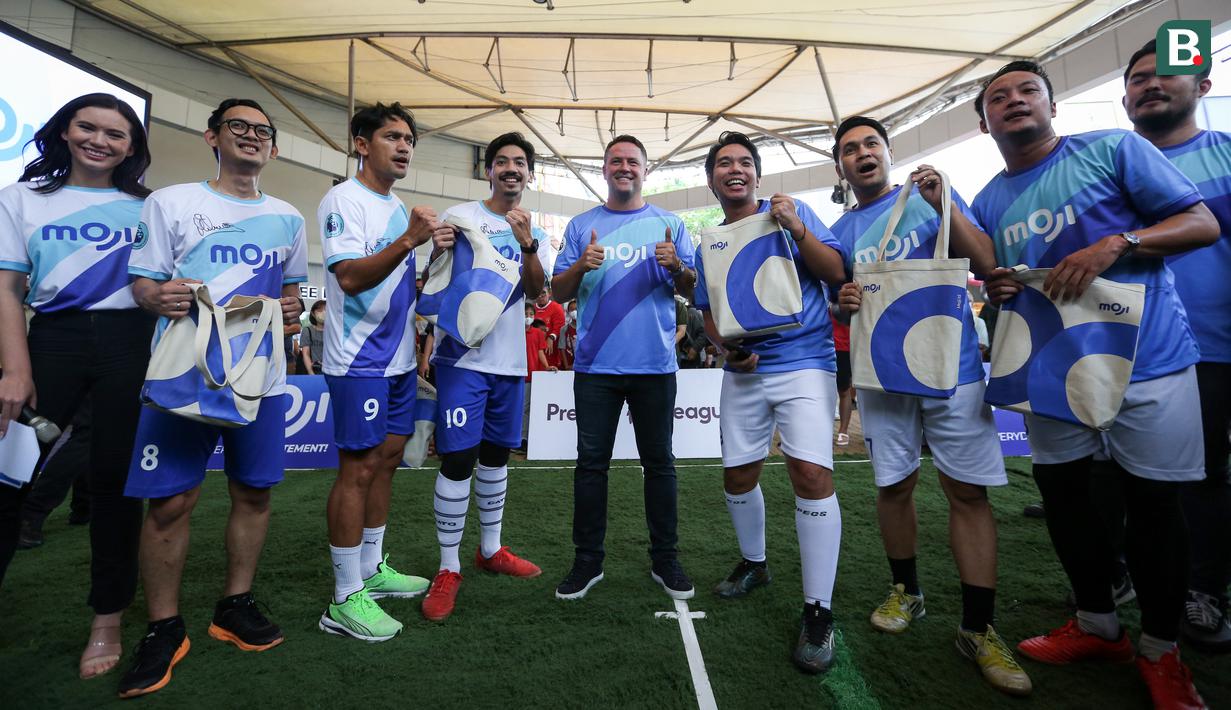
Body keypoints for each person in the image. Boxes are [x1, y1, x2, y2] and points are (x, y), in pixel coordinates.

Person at [972, 60, 1218, 707]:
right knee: (1065, 499)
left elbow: (1201, 224)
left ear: (1053, 106)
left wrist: (1119, 242)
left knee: (1155, 507)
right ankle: (1096, 624)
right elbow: (1009, 286)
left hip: (1149, 361)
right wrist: (1000, 288)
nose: (1014, 101)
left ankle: (1161, 652)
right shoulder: (989, 200)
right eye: (999, 97)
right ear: (983, 121)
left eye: (1028, 91)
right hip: (1053, 373)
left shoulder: (1112, 148)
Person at [831, 116, 1030, 695]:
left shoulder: (930, 195)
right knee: (893, 485)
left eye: (871, 144)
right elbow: (837, 303)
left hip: (955, 369)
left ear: (887, 153)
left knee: (966, 492)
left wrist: (944, 204)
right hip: (882, 374)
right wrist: (843, 301)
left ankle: (978, 627)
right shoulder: (841, 230)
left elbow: (985, 259)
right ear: (840, 166)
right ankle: (907, 591)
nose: (862, 154)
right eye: (849, 149)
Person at [119, 98, 308, 697]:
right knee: (171, 503)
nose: (252, 137)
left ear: (273, 148)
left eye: (263, 131)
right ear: (213, 137)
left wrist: (292, 310)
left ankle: (234, 605)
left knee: (253, 494)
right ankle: (163, 627)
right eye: (239, 127)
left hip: (262, 379)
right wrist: (157, 297)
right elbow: (143, 284)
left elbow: (295, 298)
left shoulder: (288, 217)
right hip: (185, 375)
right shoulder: (171, 202)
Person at [0, 93, 154, 681]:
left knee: (116, 487)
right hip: (51, 343)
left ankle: (107, 621)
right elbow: (8, 290)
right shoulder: (21, 198)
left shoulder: (150, 207)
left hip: (130, 345)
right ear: (64, 132)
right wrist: (16, 370)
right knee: (7, 480)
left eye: (116, 134)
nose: (100, 141)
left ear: (132, 146)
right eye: (87, 127)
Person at [695, 131, 847, 673]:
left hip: (805, 362)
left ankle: (818, 609)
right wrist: (725, 350)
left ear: (757, 175)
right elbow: (709, 312)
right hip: (745, 375)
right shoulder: (708, 240)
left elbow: (834, 272)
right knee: (737, 477)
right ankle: (755, 564)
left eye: (744, 162)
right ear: (712, 178)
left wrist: (797, 228)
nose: (734, 170)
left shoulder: (793, 211)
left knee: (810, 474)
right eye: (723, 164)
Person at [317, 103, 446, 642]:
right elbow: (349, 278)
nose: (404, 147)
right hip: (357, 361)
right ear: (360, 143)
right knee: (359, 469)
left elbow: (397, 285)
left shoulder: (397, 209)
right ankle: (344, 598)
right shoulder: (343, 200)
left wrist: (432, 250)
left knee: (389, 460)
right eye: (392, 136)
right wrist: (412, 241)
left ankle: (371, 569)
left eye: (409, 139)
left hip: (395, 360)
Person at [551, 134, 697, 601]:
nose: (624, 167)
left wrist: (677, 267)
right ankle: (587, 561)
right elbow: (556, 292)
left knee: (660, 465)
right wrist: (581, 267)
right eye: (616, 160)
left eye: (633, 161)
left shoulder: (670, 224)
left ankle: (666, 559)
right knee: (591, 467)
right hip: (596, 368)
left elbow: (696, 292)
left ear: (645, 170)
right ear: (605, 169)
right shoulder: (581, 226)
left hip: (655, 365)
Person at [1123, 40, 1231, 653]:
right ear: (1124, 97)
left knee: (1203, 477)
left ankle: (1204, 591)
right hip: (1122, 350)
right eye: (1139, 79)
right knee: (1114, 478)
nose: (1151, 85)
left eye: (1166, 74)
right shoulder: (1108, 161)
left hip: (1212, 349)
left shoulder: (1225, 156)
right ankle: (1114, 585)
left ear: (1205, 87)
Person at [420, 132, 550, 623]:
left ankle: (490, 549)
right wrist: (434, 252)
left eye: (520, 162)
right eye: (502, 162)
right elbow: (434, 279)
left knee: (497, 457)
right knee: (457, 459)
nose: (511, 168)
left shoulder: (530, 227)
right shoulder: (461, 216)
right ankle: (448, 567)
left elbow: (539, 295)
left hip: (510, 364)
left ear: (529, 174)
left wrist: (528, 244)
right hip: (462, 360)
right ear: (489, 170)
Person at [829, 307, 854, 446]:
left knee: (844, 390)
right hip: (820, 343)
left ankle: (843, 431)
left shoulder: (849, 286)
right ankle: (822, 430)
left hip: (843, 345)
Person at [534, 286, 565, 369]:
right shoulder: (531, 310)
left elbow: (560, 327)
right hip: (534, 348)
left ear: (549, 293)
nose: (540, 296)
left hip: (551, 350)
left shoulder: (557, 307)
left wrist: (551, 337)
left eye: (543, 293)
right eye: (538, 293)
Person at [299, 299, 326, 375]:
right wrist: (311, 372)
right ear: (313, 314)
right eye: (319, 310)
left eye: (326, 310)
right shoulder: (307, 331)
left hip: (331, 370)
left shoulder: (333, 332)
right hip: (315, 369)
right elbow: (306, 353)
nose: (324, 312)